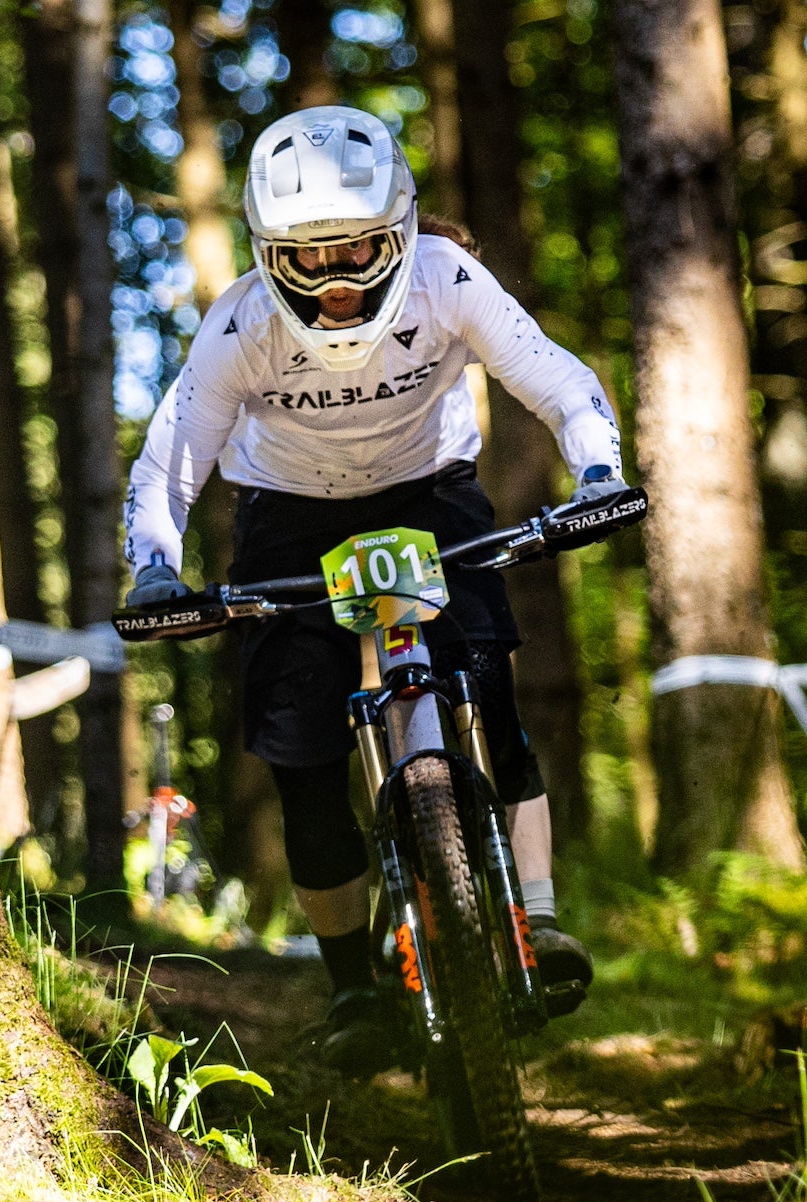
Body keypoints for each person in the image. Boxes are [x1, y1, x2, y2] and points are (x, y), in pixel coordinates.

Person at [122, 106, 624, 1075]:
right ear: (268, 255)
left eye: (355, 250)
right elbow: (169, 463)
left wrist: (598, 472)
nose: (336, 281)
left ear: (400, 233)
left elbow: (557, 379)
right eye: (307, 259)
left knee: (493, 689)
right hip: (287, 513)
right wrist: (153, 565)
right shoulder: (240, 323)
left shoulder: (447, 279)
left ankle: (537, 917)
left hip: (429, 490)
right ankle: (352, 986)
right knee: (302, 757)